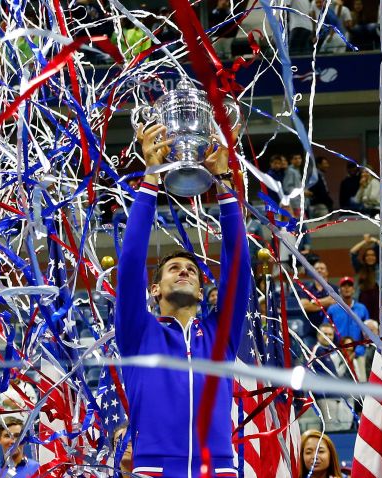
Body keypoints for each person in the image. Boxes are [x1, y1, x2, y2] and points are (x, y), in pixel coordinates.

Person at [116, 122, 250, 477]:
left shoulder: (221, 334)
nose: (185, 272)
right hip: (155, 470)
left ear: (203, 290)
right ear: (154, 289)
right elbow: (129, 265)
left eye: (191, 270)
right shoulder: (139, 333)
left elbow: (239, 269)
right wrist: (150, 179)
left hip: (219, 470)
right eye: (173, 268)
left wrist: (221, 182)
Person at [325, 276, 368, 358]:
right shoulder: (332, 309)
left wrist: (357, 352)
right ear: (339, 290)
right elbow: (326, 331)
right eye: (343, 286)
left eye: (349, 285)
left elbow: (367, 333)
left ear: (353, 290)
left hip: (358, 354)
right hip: (337, 353)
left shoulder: (362, 308)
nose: (346, 288)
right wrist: (334, 350)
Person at [299, 261, 338, 346]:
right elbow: (305, 306)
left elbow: (334, 302)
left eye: (322, 268)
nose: (319, 270)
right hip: (311, 331)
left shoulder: (334, 288)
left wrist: (313, 302)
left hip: (330, 333)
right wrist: (327, 302)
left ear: (327, 272)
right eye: (317, 269)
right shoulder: (306, 289)